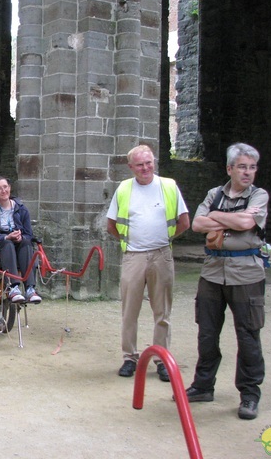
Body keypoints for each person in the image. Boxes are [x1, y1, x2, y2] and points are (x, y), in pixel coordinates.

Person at [185, 143, 269, 420]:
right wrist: (232, 219)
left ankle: (249, 395)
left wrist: (216, 217)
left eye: (252, 167)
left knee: (247, 334)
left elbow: (247, 224)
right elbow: (196, 224)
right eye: (242, 167)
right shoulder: (214, 194)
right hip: (212, 273)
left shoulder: (259, 195)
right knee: (207, 333)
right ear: (229, 169)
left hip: (246, 275)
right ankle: (202, 386)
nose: (248, 172)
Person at [106, 145, 190, 382]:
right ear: (131, 167)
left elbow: (184, 221)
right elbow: (111, 224)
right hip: (134, 256)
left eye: (149, 163)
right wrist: (128, 241)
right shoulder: (124, 189)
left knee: (162, 311)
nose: (145, 168)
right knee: (129, 311)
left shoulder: (169, 186)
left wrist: (165, 239)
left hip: (161, 255)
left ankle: (162, 359)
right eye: (140, 164)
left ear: (154, 162)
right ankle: (129, 358)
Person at [0, 176, 41, 304]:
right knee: (7, 244)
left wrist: (20, 237)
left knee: (26, 243)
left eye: (5, 187)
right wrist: (6, 236)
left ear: (10, 187)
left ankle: (30, 289)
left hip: (18, 245)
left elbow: (29, 233)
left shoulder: (21, 208)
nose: (3, 191)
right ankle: (13, 288)